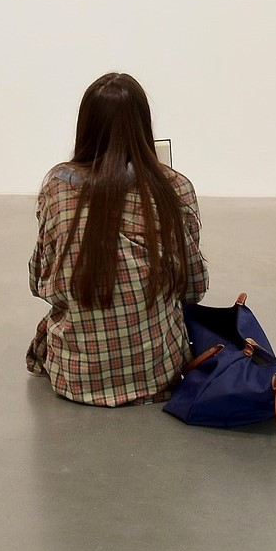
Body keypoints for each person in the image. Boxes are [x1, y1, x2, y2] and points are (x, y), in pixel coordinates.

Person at [28, 73, 209, 406]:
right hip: (159, 373)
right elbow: (194, 285)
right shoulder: (175, 188)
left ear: (86, 126)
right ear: (143, 126)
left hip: (76, 378)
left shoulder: (57, 188)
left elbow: (40, 280)